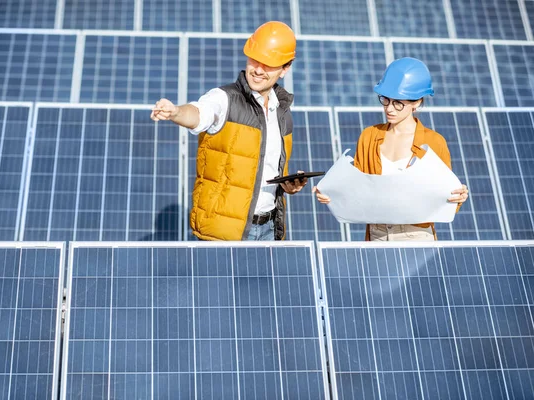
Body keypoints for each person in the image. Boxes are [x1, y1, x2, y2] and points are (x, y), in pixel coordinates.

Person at [150, 21, 307, 241]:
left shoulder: (282, 113)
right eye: (255, 59)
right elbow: (199, 113)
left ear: (285, 68)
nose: (258, 70)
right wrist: (175, 112)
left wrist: (288, 186)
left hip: (270, 230)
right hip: (226, 235)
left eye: (269, 64)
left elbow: (268, 171)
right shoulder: (224, 99)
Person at [313, 57, 469, 241]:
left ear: (417, 102)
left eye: (398, 103)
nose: (389, 109)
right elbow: (357, 187)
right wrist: (333, 194)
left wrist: (457, 196)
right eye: (386, 100)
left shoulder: (434, 142)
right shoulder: (368, 136)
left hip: (416, 234)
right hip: (377, 233)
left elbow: (444, 195)